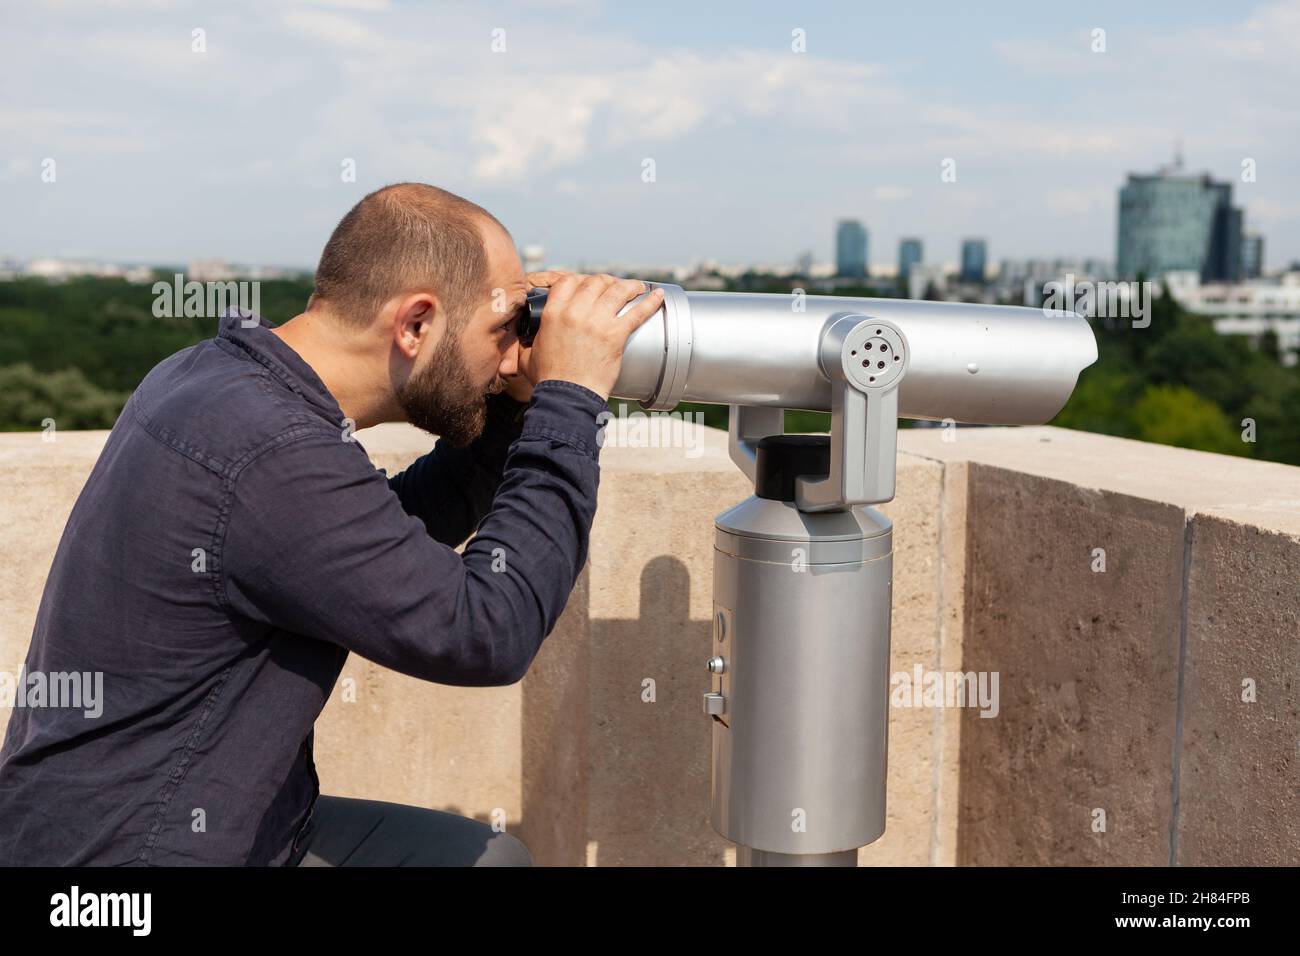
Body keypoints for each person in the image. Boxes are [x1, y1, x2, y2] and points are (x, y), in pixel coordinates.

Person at [0, 182, 664, 866]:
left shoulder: (215, 379)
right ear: (415, 324)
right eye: (500, 332)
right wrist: (570, 401)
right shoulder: (269, 450)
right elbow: (486, 631)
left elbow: (381, 537)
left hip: (170, 826)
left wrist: (514, 408)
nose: (506, 359)